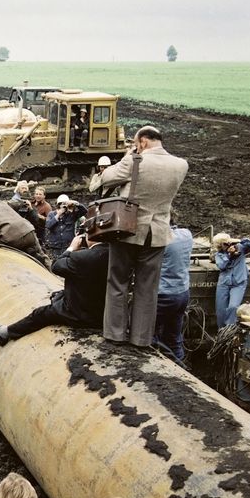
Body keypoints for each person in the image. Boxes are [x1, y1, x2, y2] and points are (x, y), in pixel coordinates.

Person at [91, 126, 188, 347]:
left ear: (142, 141)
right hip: (158, 233)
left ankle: (115, 334)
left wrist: (128, 155)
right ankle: (141, 339)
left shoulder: (134, 161)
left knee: (118, 281)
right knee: (148, 287)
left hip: (128, 228)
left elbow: (103, 179)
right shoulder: (181, 165)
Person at [0, 233, 109, 345]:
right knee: (59, 295)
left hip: (81, 315)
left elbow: (56, 266)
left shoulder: (82, 257)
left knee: (40, 314)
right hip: (105, 315)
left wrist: (71, 248)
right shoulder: (117, 255)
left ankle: (3, 333)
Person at [154, 223, 194, 360]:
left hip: (163, 294)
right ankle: (183, 370)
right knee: (174, 338)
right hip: (182, 293)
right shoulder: (186, 234)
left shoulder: (160, 239)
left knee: (147, 335)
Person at [213, 232, 250, 329]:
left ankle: (229, 331)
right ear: (220, 245)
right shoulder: (219, 255)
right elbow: (222, 266)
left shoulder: (240, 248)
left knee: (233, 307)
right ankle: (221, 331)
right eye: (224, 244)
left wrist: (239, 241)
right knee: (220, 311)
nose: (227, 245)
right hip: (224, 284)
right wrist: (230, 255)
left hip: (239, 282)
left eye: (227, 242)